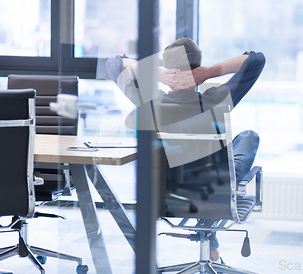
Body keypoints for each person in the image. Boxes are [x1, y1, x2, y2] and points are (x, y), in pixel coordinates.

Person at [106, 38, 266, 262]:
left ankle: (208, 231)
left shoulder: (151, 103)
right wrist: (209, 72)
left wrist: (156, 73)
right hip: (215, 191)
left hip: (166, 196)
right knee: (249, 137)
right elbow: (256, 60)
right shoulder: (217, 100)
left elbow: (114, 64)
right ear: (197, 70)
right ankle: (209, 225)